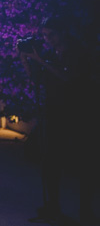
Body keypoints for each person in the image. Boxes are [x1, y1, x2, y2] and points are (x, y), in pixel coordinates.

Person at [20, 16, 96, 225]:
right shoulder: (50, 53)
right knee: (50, 159)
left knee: (84, 162)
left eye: (51, 34)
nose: (48, 39)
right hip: (54, 111)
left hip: (79, 112)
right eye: (45, 35)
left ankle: (86, 210)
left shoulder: (77, 50)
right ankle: (52, 205)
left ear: (62, 32)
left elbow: (70, 78)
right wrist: (26, 60)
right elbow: (37, 80)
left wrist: (41, 61)